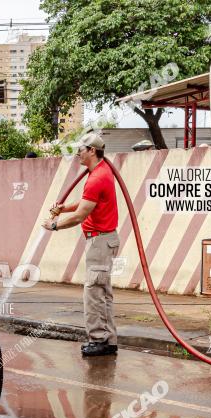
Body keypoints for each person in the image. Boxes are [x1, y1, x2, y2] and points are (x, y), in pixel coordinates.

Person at [42, 133, 119, 357]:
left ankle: (99, 339)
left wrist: (54, 225)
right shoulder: (100, 173)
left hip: (100, 241)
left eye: (81, 149)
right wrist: (64, 207)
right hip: (103, 239)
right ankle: (108, 339)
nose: (78, 153)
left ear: (92, 151)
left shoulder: (98, 177)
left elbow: (80, 215)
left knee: (94, 291)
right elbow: (87, 202)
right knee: (102, 291)